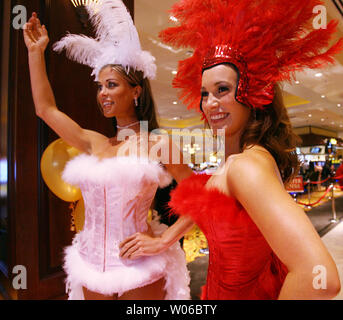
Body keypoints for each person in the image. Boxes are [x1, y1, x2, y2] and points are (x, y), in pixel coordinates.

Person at [123, 0, 342, 299]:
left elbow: (321, 278)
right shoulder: (243, 162)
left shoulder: (245, 166)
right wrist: (167, 236)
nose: (210, 103)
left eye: (222, 90)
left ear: (250, 93)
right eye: (204, 94)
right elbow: (223, 214)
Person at [23, 0, 194, 300]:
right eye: (100, 86)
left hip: (140, 269)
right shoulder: (94, 142)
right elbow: (45, 109)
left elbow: (201, 198)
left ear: (135, 91)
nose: (102, 93)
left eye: (111, 85)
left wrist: (164, 239)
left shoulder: (158, 145)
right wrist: (35, 52)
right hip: (91, 267)